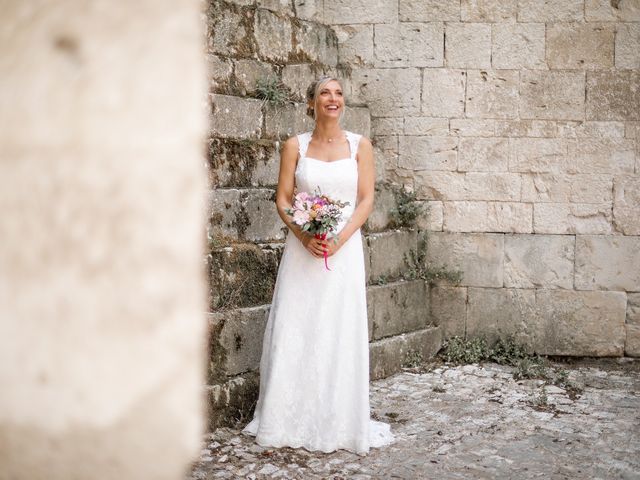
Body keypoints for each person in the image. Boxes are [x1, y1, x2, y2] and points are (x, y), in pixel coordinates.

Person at [242, 76, 395, 455]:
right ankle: (286, 417)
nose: (333, 98)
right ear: (311, 102)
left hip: (343, 251)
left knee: (337, 326)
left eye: (339, 93)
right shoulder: (295, 146)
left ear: (344, 102)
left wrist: (338, 240)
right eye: (325, 93)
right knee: (298, 324)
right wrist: (304, 234)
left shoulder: (361, 146)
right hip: (303, 250)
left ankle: (338, 418)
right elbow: (282, 199)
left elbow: (365, 201)